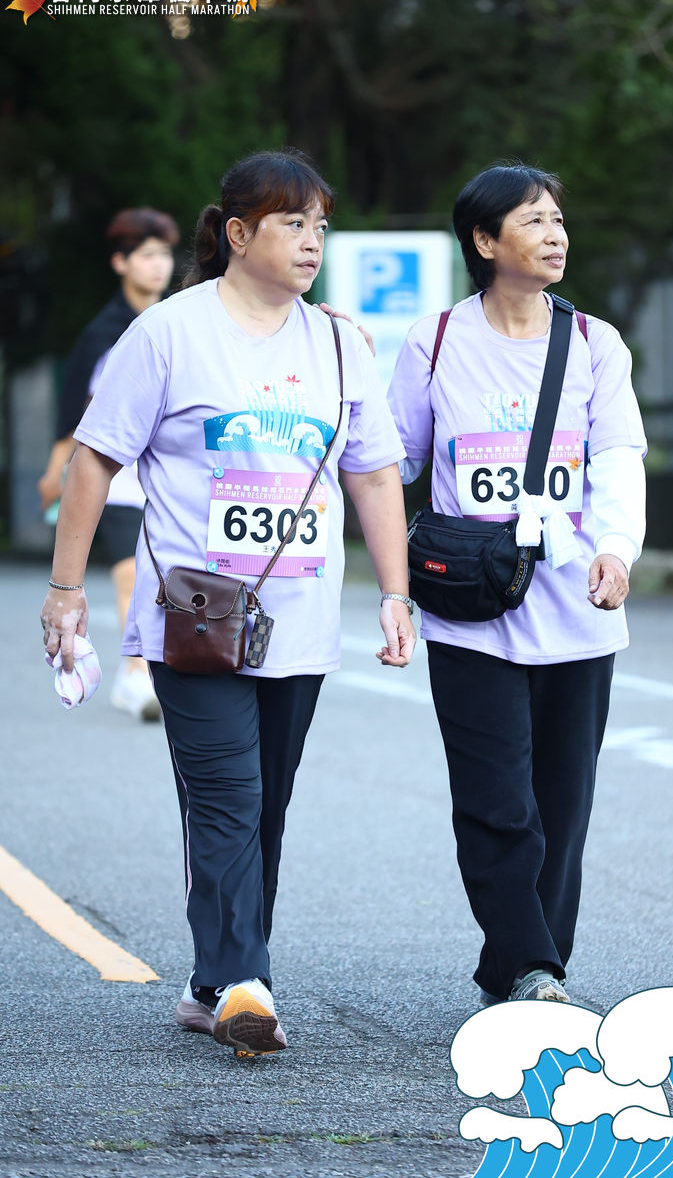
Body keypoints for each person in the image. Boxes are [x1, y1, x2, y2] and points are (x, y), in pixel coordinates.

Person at [40, 148, 416, 1056]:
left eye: (320, 225)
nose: (312, 241)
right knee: (226, 798)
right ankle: (248, 981)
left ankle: (214, 980)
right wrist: (65, 589)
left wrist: (395, 592)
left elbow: (373, 473)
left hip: (300, 616)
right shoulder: (168, 333)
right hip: (194, 613)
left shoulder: (339, 344)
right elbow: (94, 459)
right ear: (239, 233)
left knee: (264, 804)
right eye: (292, 223)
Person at [387, 163, 646, 1006]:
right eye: (532, 221)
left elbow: (616, 457)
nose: (554, 234)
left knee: (561, 807)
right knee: (496, 802)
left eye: (557, 219)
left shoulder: (594, 344)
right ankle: (536, 967)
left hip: (577, 606)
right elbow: (393, 463)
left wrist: (616, 549)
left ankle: (520, 964)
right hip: (469, 609)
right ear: (484, 240)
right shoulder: (433, 343)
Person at [38, 207, 180, 721]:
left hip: (172, 478)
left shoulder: (180, 322)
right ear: (120, 262)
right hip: (118, 481)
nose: (159, 265)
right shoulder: (101, 334)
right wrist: (55, 470)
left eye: (165, 254)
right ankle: (137, 679)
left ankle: (152, 672)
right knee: (131, 577)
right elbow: (74, 412)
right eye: (147, 255)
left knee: (167, 581)